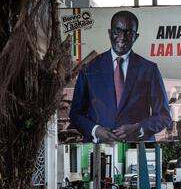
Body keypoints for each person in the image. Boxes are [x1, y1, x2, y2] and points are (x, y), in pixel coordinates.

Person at [70, 10, 171, 143]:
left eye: (129, 32)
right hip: (98, 149)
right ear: (109, 32)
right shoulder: (89, 68)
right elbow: (76, 114)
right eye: (118, 30)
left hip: (138, 148)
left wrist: (138, 127)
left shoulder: (149, 69)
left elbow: (164, 116)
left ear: (136, 36)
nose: (122, 37)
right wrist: (96, 130)